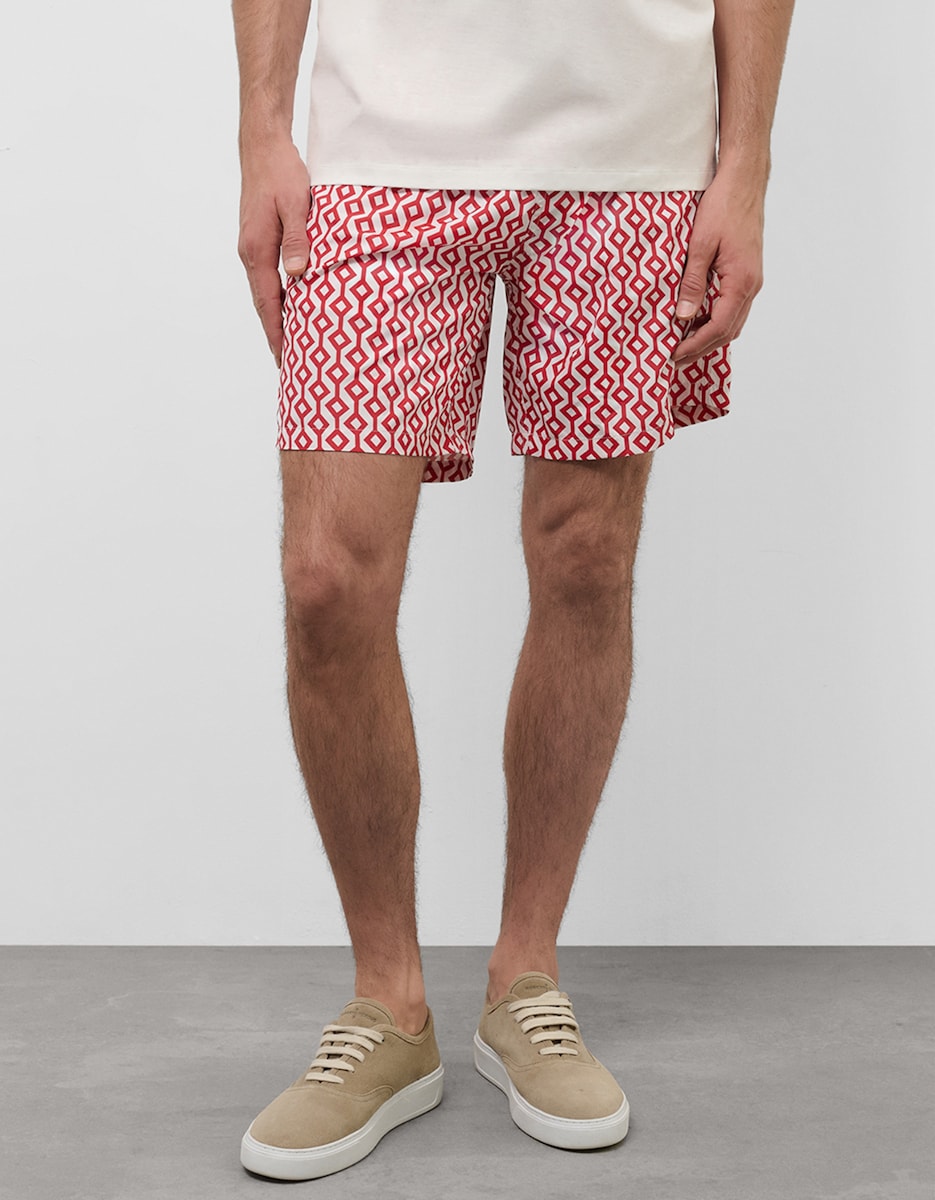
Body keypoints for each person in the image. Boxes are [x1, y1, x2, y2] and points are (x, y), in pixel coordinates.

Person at [231, 0, 794, 1180]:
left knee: (586, 557)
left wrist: (744, 162)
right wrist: (262, 129)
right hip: (379, 147)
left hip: (627, 155)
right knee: (326, 577)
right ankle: (387, 1003)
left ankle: (525, 977)